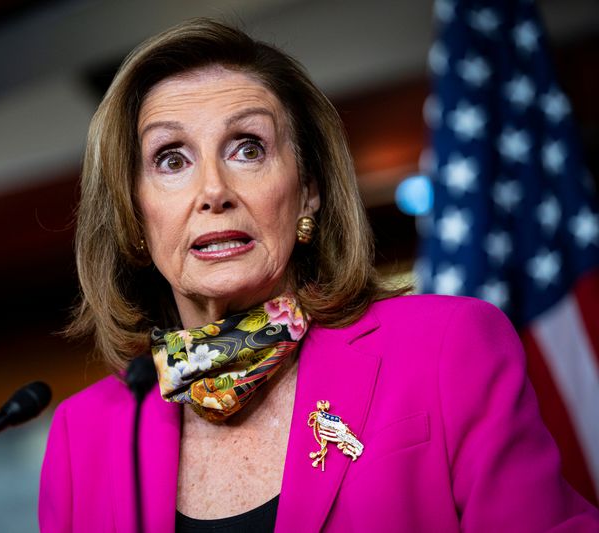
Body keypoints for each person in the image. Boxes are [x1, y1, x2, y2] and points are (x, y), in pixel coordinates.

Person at [39, 18, 599, 532]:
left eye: (247, 148)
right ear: (134, 217)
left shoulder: (446, 345)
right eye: (171, 159)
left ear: (308, 192)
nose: (213, 192)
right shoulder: (81, 437)